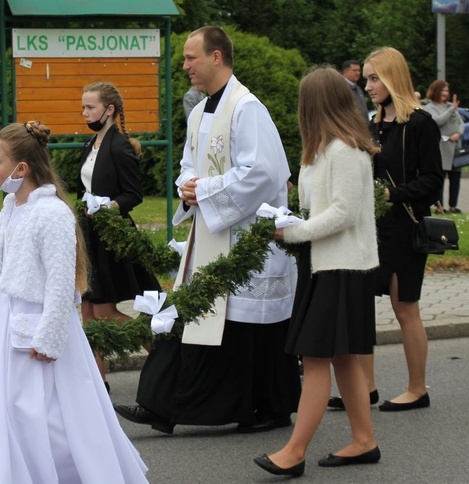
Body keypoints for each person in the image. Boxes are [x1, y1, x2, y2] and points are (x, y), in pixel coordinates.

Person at [113, 26, 300, 434]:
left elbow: (264, 173)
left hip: (246, 241)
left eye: (190, 57)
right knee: (194, 316)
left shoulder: (247, 107)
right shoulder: (200, 110)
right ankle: (162, 406)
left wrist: (207, 190)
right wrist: (187, 187)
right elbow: (188, 166)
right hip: (211, 235)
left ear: (216, 57)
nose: (184, 66)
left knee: (246, 332)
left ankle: (268, 406)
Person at [0, 121, 148, 483]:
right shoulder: (12, 207)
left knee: (46, 413)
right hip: (9, 318)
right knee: (0, 406)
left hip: (40, 326)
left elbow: (60, 282)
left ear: (21, 169)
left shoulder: (51, 213)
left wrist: (49, 337)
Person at [253, 67, 381, 478]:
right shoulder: (324, 149)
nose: (299, 110)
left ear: (317, 105)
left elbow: (344, 213)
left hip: (342, 266)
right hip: (324, 264)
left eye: (303, 102)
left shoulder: (345, 150)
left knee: (316, 359)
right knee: (343, 359)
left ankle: (294, 451)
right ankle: (364, 441)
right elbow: (323, 210)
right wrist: (290, 220)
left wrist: (294, 231)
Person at [331, 48, 442, 414]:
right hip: (371, 229)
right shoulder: (371, 124)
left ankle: (416, 389)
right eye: (366, 78)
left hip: (405, 229)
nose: (368, 85)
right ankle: (366, 387)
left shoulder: (421, 123)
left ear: (394, 78)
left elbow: (432, 181)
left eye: (375, 78)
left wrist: (391, 193)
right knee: (361, 306)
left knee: (404, 307)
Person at [78, 81, 161, 390]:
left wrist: (108, 207)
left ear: (109, 110)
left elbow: (133, 195)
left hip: (110, 237)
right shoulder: (91, 144)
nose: (84, 113)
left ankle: (161, 351)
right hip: (89, 236)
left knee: (103, 310)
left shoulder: (119, 145)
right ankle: (97, 381)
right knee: (88, 309)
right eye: (84, 107)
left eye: (90, 107)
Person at [422, 80, 465, 214]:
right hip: (441, 149)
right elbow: (437, 121)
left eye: (447, 91)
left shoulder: (450, 106)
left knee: (455, 179)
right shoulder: (430, 107)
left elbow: (461, 123)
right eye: (443, 90)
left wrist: (459, 133)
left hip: (455, 148)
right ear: (435, 91)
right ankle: (439, 206)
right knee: (439, 180)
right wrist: (451, 110)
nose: (445, 93)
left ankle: (453, 206)